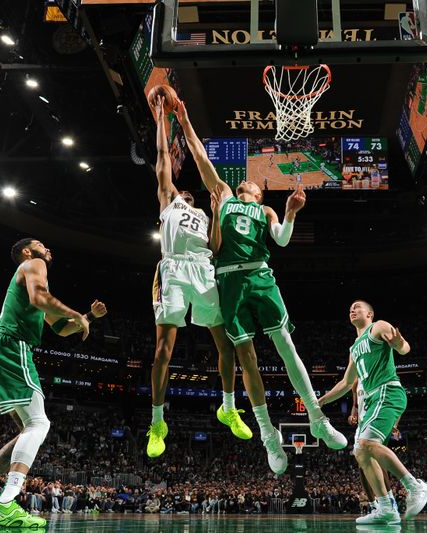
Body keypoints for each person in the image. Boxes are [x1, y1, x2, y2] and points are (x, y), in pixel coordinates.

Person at [175, 101, 346, 475]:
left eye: (251, 184)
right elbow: (201, 156)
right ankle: (268, 434)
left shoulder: (266, 211)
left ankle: (317, 417)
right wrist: (185, 119)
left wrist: (290, 213)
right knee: (247, 358)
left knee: (285, 345)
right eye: (243, 181)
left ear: (259, 194)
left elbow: (282, 241)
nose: (246, 181)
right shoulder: (222, 196)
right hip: (229, 279)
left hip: (260, 275)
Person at [0, 238, 106, 527]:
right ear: (27, 251)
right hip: (13, 349)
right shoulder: (34, 265)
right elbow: (40, 299)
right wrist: (75, 313)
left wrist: (86, 317)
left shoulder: (31, 280)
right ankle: (7, 502)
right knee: (40, 425)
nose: (48, 249)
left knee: (27, 430)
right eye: (41, 244)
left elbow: (61, 329)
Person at [146, 91, 250, 458]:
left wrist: (218, 211)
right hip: (172, 268)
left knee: (226, 344)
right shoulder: (168, 199)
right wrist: (162, 116)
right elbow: (162, 157)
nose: (186, 190)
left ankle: (228, 406)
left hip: (204, 267)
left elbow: (216, 247)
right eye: (182, 188)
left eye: (190, 191)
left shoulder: (204, 213)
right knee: (163, 351)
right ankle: (157, 423)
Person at [319, 300, 427, 525]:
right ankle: (386, 508)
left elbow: (404, 348)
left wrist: (400, 344)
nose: (352, 309)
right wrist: (320, 401)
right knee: (360, 452)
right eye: (350, 308)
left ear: (369, 313)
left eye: (357, 307)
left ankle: (415, 486)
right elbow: (346, 382)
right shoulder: (354, 347)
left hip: (386, 392)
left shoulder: (378, 327)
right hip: (371, 400)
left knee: (367, 445)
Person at [348, 378, 397, 517]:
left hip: (376, 423)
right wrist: (352, 415)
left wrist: (395, 423)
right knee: (362, 467)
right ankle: (373, 505)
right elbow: (355, 406)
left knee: (379, 462)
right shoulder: (356, 383)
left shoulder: (379, 377)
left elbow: (393, 403)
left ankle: (390, 502)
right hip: (361, 426)